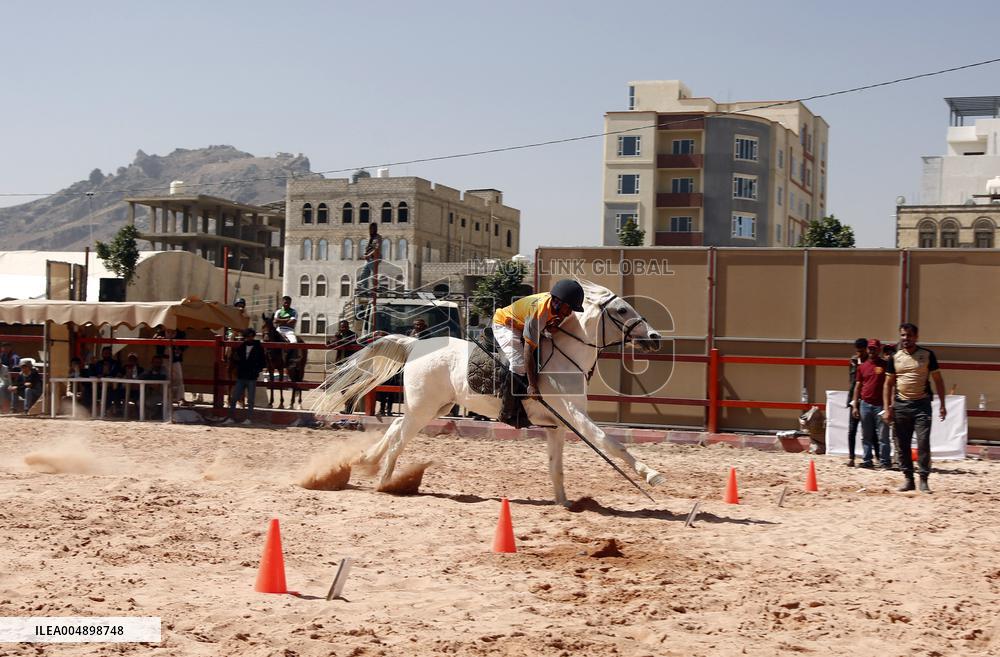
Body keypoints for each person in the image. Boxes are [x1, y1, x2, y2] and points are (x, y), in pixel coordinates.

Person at [491, 279, 582, 401]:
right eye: (569, 308)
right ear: (559, 302)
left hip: (522, 324)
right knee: (519, 365)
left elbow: (544, 323)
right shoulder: (539, 312)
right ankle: (506, 409)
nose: (570, 312)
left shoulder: (554, 305)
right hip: (505, 324)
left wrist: (548, 326)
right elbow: (528, 351)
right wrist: (532, 386)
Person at [883, 323, 946, 494]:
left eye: (909, 335)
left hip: (922, 405)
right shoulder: (895, 358)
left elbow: (938, 380)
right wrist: (887, 408)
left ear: (916, 337)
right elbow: (888, 384)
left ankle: (924, 479)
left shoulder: (927, 355)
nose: (906, 338)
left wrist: (942, 405)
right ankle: (908, 479)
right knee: (902, 444)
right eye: (903, 335)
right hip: (901, 405)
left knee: (923, 442)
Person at [851, 339, 891, 469]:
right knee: (866, 435)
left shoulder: (885, 365)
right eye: (870, 348)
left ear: (879, 350)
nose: (872, 351)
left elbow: (891, 385)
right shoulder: (862, 367)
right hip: (865, 404)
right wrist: (855, 405)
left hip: (880, 405)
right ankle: (867, 460)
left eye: (874, 348)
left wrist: (889, 405)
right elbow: (858, 386)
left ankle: (885, 462)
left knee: (883, 436)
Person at [225, 328, 267, 425]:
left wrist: (256, 371)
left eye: (250, 336)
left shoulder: (258, 348)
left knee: (251, 400)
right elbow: (235, 360)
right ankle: (231, 417)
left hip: (252, 377)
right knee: (234, 397)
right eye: (247, 336)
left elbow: (262, 362)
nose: (249, 338)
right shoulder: (241, 347)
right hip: (241, 376)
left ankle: (249, 419)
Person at [844, 337, 868, 467]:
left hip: (866, 398)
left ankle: (869, 457)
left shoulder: (870, 362)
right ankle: (851, 457)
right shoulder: (853, 361)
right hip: (854, 397)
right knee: (852, 429)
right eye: (858, 351)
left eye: (862, 351)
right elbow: (852, 381)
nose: (859, 353)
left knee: (868, 430)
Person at [154, 327, 188, 405]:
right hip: (164, 358)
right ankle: (166, 398)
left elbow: (185, 344)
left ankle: (180, 398)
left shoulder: (180, 332)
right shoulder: (161, 331)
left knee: (179, 378)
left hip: (175, 359)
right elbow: (155, 338)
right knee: (165, 378)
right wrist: (158, 338)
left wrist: (181, 349)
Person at [359, 223, 382, 294]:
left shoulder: (377, 237)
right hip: (368, 259)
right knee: (364, 274)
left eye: (372, 229)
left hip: (375, 257)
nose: (371, 230)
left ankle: (376, 287)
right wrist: (365, 255)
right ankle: (364, 289)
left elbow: (376, 248)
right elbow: (367, 248)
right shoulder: (369, 237)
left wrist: (369, 255)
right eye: (370, 229)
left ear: (375, 229)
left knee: (373, 275)